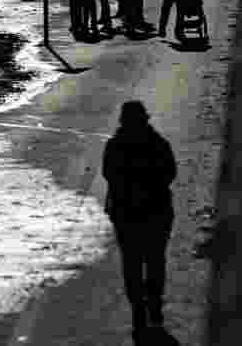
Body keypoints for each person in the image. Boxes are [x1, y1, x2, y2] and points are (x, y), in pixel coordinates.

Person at [102, 101, 177, 343]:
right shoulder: (158, 144)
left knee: (132, 263)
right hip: (156, 212)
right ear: (145, 119)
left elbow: (109, 175)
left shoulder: (114, 147)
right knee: (155, 260)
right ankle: (153, 304)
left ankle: (139, 308)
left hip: (127, 216)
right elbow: (170, 173)